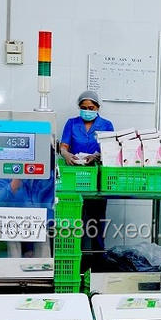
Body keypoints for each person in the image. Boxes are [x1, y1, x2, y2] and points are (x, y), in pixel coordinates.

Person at [59, 90, 114, 253]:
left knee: (97, 220)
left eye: (91, 108)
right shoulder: (72, 123)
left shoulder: (106, 125)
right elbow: (64, 146)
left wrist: (96, 155)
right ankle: (76, 255)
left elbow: (110, 148)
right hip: (74, 176)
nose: (87, 111)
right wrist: (66, 154)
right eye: (84, 108)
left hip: (96, 178)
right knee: (75, 219)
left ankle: (98, 256)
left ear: (97, 108)